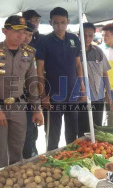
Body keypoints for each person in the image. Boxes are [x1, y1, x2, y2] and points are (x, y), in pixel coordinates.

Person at [0, 15, 44, 171]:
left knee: (17, 152)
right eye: (16, 31)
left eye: (23, 31)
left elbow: (32, 82)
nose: (21, 35)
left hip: (18, 108)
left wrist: (36, 109)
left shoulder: (29, 53)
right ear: (5, 31)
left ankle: (14, 181)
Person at [36, 7, 86, 150]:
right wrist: (43, 95)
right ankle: (51, 164)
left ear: (68, 22)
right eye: (56, 23)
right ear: (51, 22)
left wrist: (82, 87)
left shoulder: (74, 39)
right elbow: (39, 70)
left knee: (72, 133)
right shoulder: (44, 41)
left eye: (63, 22)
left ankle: (71, 159)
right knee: (53, 134)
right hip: (53, 95)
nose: (60, 26)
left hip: (72, 92)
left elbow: (78, 65)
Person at [77, 23, 111, 136]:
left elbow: (105, 73)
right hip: (82, 97)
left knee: (97, 128)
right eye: (84, 35)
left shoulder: (98, 51)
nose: (87, 38)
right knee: (84, 129)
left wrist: (108, 92)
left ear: (94, 35)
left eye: (90, 35)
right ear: (78, 35)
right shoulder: (75, 52)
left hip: (98, 96)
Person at [22, 22, 41, 159]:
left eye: (30, 35)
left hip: (29, 97)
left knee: (31, 132)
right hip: (12, 99)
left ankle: (30, 155)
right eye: (25, 34)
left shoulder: (30, 52)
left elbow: (33, 79)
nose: (27, 38)